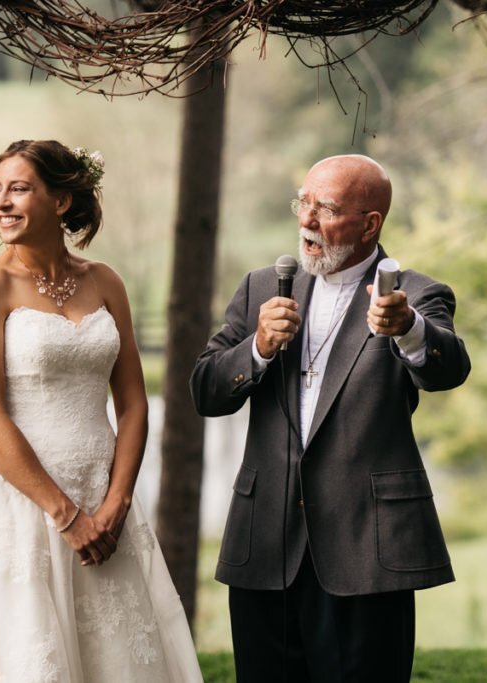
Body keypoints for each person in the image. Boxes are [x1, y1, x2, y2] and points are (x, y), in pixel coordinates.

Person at [0, 140, 201, 682]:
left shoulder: (105, 281)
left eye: (19, 188)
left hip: (105, 500)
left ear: (61, 202)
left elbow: (133, 404)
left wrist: (115, 503)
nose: (2, 202)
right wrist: (65, 515)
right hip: (23, 504)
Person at [190, 154, 470, 682]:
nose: (307, 221)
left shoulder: (417, 293)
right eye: (304, 203)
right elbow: (206, 391)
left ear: (371, 224)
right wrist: (257, 348)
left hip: (366, 548)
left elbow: (448, 368)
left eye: (326, 209)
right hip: (265, 543)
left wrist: (408, 328)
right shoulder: (260, 289)